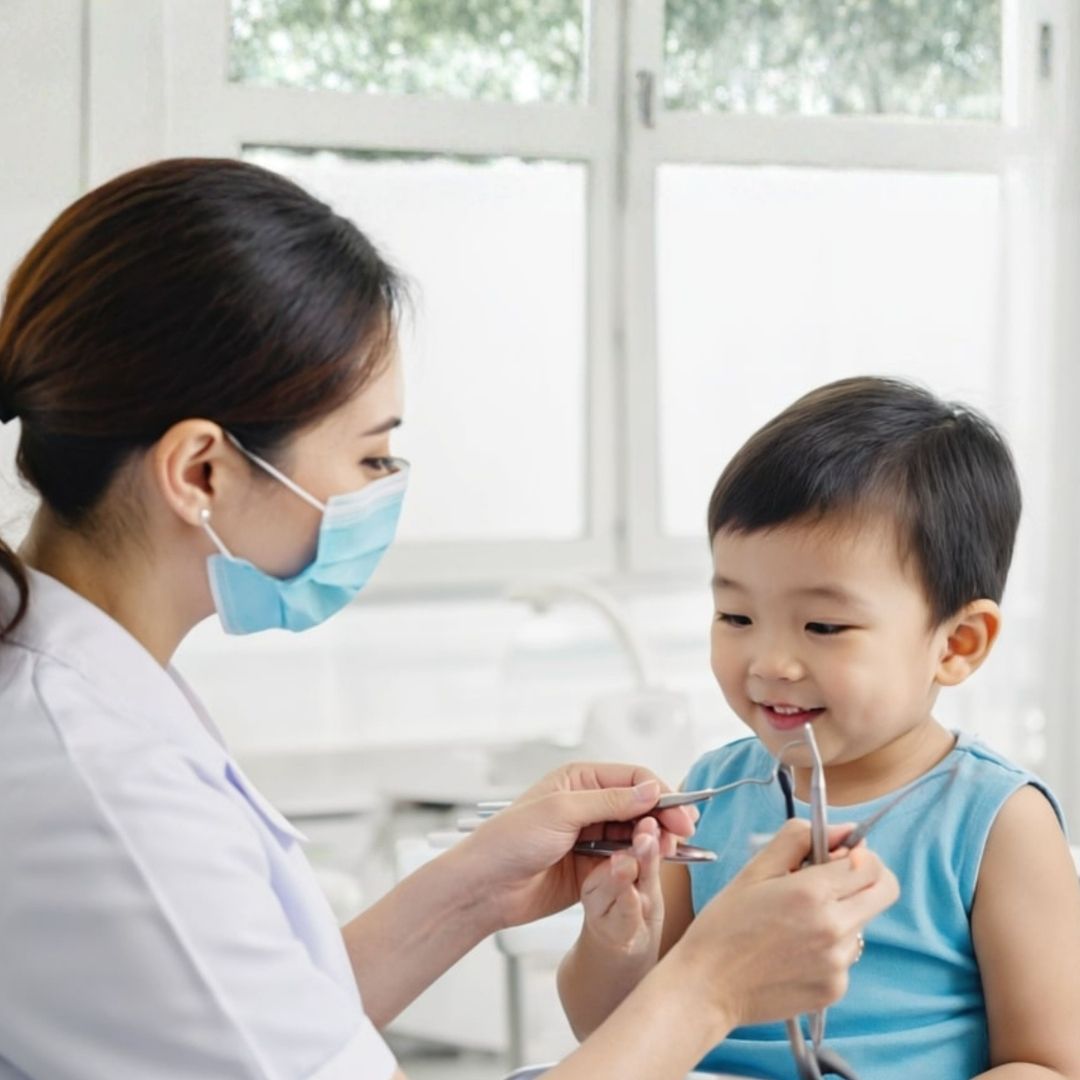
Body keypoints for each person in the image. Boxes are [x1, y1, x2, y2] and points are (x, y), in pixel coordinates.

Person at [0, 158, 899, 1080]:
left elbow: (268, 1030)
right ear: (200, 472)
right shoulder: (96, 780)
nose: (384, 492)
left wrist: (477, 888)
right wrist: (712, 987)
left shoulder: (93, 699)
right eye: (371, 458)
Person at [558, 378, 1080, 1078]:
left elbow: (1048, 1064)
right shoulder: (709, 793)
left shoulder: (998, 823)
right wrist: (615, 942)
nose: (770, 663)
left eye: (824, 626)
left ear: (957, 644)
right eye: (736, 616)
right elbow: (608, 1034)